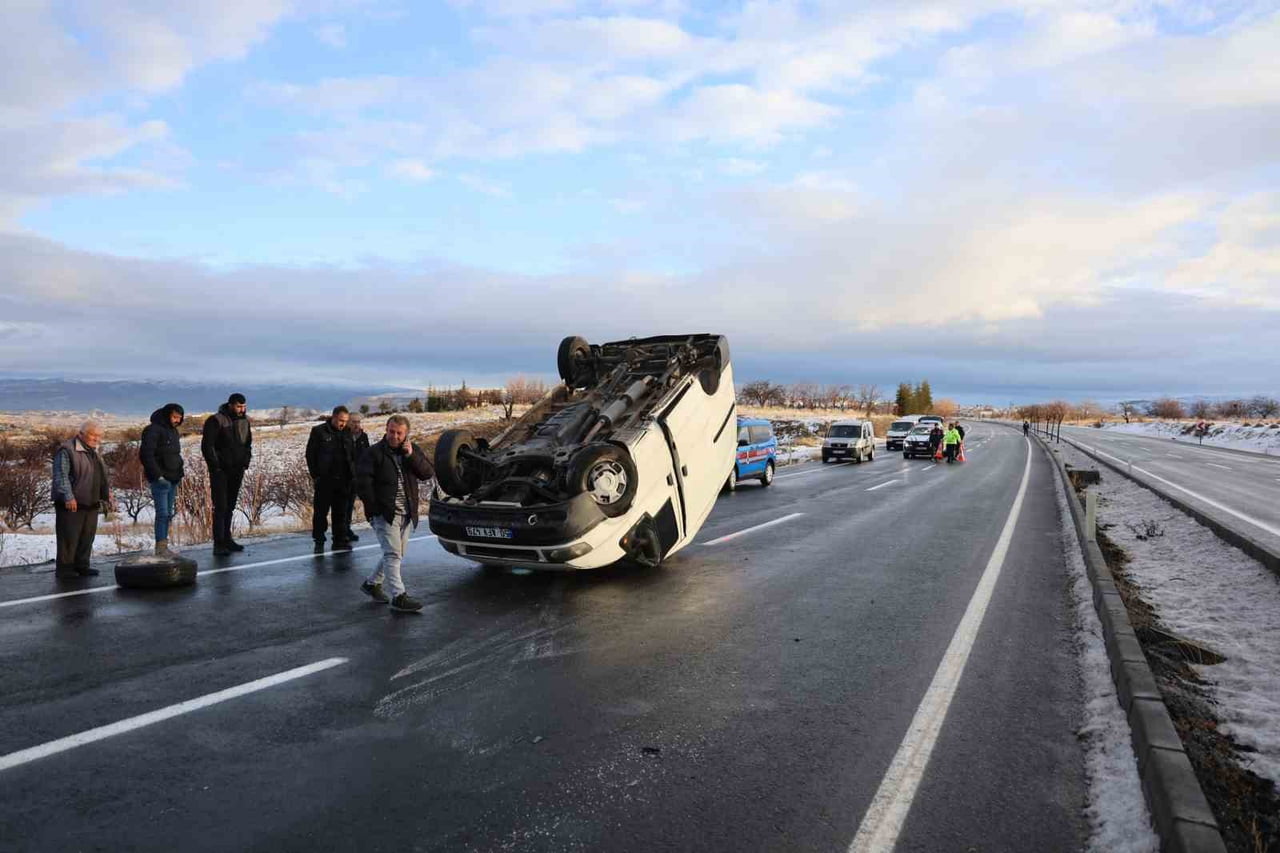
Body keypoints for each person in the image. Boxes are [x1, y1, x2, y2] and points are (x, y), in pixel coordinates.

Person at [355, 415, 434, 613]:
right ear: (386, 429)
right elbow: (363, 484)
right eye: (391, 431)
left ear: (406, 434)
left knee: (396, 553)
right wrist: (375, 511)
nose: (394, 436)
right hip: (385, 513)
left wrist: (411, 456)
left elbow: (426, 473)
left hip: (406, 513)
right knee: (393, 554)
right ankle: (399, 596)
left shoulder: (411, 450)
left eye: (399, 433)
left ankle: (372, 584)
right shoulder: (373, 453)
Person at [51, 420, 114, 579]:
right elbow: (61, 476)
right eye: (93, 435)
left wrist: (107, 495)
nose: (96, 438)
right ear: (81, 434)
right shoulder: (67, 450)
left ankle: (82, 566)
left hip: (91, 502)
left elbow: (101, 476)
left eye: (99, 436)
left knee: (87, 537)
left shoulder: (94, 451)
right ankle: (65, 569)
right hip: (72, 502)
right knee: (69, 538)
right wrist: (68, 496)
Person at [202, 393, 253, 556]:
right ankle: (219, 544)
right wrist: (215, 467)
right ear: (230, 405)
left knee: (230, 507)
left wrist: (245, 462)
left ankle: (227, 539)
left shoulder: (245, 421)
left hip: (237, 470)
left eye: (244, 406)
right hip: (221, 471)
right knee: (221, 507)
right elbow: (207, 446)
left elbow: (248, 444)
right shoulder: (216, 420)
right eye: (239, 406)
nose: (242, 409)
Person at [307, 405, 355, 552]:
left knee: (341, 512)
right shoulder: (319, 432)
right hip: (325, 480)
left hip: (344, 480)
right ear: (333, 417)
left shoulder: (347, 432)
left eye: (346, 421)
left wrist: (353, 474)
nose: (343, 424)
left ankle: (339, 541)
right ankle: (319, 539)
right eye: (341, 420)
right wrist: (316, 475)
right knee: (321, 512)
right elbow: (310, 455)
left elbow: (352, 455)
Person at [140, 403, 185, 556]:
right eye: (174, 417)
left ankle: (164, 546)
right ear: (167, 415)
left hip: (173, 478)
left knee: (169, 513)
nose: (177, 420)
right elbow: (146, 455)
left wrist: (179, 474)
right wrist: (157, 476)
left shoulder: (173, 431)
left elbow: (175, 455)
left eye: (179, 418)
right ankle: (160, 547)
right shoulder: (153, 430)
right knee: (163, 513)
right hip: (161, 480)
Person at [344, 413, 370, 541]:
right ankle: (341, 532)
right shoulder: (343, 436)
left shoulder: (363, 437)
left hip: (357, 477)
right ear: (348, 422)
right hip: (344, 476)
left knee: (350, 505)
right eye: (354, 422)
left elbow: (367, 455)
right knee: (342, 506)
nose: (356, 424)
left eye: (358, 422)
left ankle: (347, 529)